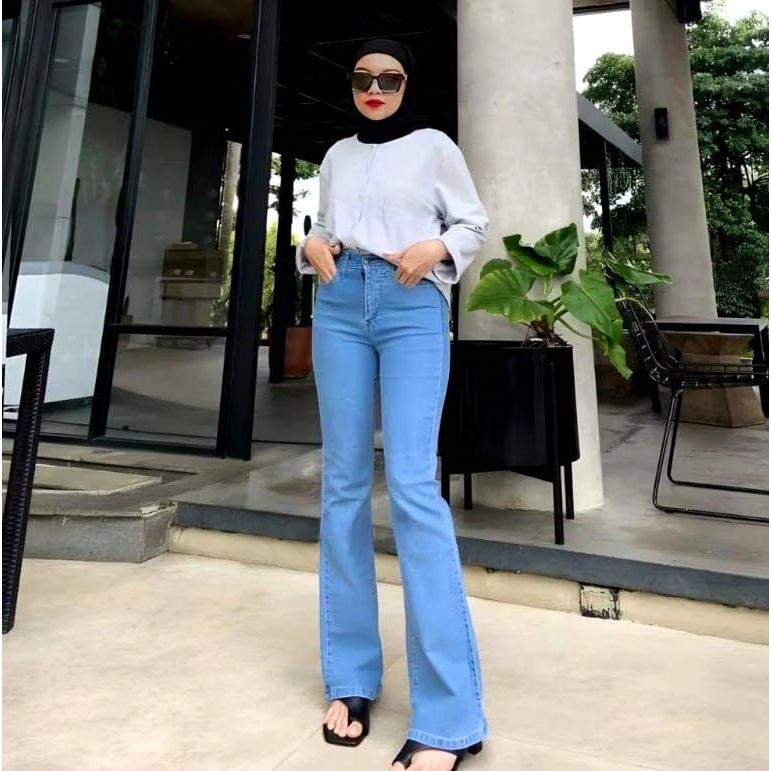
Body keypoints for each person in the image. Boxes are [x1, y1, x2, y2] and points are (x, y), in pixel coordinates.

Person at [295, 38, 489, 771]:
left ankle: (449, 717)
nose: (375, 88)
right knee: (343, 483)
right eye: (362, 78)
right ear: (350, 85)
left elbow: (471, 223)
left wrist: (435, 249)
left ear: (409, 84)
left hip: (411, 305)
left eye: (390, 78)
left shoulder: (435, 146)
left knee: (410, 485)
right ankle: (349, 679)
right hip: (339, 303)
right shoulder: (336, 155)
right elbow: (326, 226)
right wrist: (311, 245)